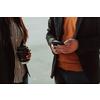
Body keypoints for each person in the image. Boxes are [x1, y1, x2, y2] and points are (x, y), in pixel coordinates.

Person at [46, 17, 100, 84]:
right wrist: (52, 42)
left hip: (83, 73)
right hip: (59, 70)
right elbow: (50, 33)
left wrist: (79, 45)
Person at [0, 17, 31, 84]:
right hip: (6, 77)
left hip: (22, 75)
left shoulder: (18, 19)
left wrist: (26, 54)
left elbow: (19, 43)